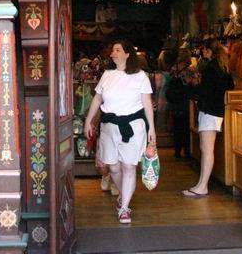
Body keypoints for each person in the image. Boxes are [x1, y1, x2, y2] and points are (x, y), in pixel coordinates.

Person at [84, 40, 155, 224]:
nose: (112, 53)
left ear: (127, 54)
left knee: (129, 166)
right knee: (113, 166)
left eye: (117, 50)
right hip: (109, 126)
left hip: (134, 126)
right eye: (112, 50)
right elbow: (97, 99)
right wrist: (88, 121)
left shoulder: (140, 76)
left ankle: (124, 208)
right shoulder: (107, 75)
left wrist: (152, 129)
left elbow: (147, 103)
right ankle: (124, 195)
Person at [182, 40, 234, 198]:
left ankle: (203, 185)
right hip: (216, 110)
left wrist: (192, 86)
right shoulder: (222, 67)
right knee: (207, 149)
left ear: (207, 50)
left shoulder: (210, 68)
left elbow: (204, 91)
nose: (202, 53)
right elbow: (229, 86)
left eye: (203, 50)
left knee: (206, 149)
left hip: (209, 111)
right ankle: (201, 184)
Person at [166, 48, 198, 158]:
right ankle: (188, 151)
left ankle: (177, 150)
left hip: (175, 103)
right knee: (186, 127)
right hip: (186, 102)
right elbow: (195, 84)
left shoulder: (174, 69)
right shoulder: (190, 70)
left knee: (177, 127)